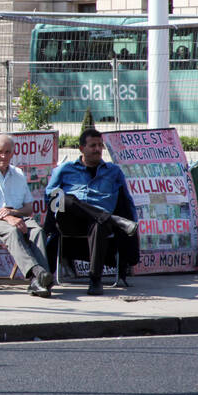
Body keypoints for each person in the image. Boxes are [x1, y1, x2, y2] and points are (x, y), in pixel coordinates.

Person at [44, 127, 139, 296]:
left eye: (100, 145)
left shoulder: (113, 171)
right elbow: (49, 197)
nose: (97, 149)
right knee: (65, 199)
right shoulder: (65, 169)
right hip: (71, 221)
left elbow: (126, 199)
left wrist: (133, 223)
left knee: (100, 224)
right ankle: (113, 219)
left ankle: (95, 280)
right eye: (92, 145)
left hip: (99, 224)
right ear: (81, 148)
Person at [0, 133, 55, 297]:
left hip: (17, 216)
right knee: (12, 231)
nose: (4, 156)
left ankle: (39, 283)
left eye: (8, 152)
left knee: (37, 231)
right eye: (0, 151)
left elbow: (28, 208)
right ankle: (38, 273)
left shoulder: (18, 174)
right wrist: (6, 217)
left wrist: (12, 213)